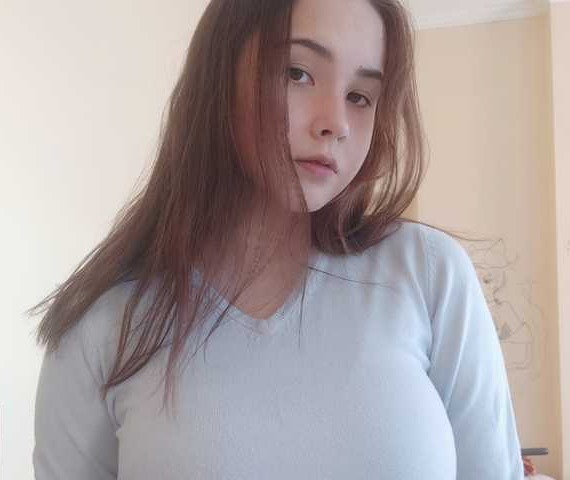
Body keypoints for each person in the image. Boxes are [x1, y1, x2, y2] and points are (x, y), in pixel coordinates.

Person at [29, 0, 525, 478]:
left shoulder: (429, 274)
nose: (335, 123)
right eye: (298, 73)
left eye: (360, 97)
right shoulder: (102, 324)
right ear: (219, 73)